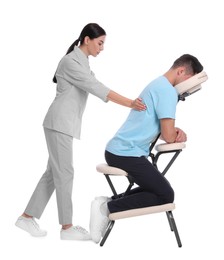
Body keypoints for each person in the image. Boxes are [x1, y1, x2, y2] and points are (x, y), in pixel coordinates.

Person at [15, 23, 146, 241]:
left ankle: (26, 217)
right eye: (100, 42)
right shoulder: (70, 62)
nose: (102, 48)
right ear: (87, 39)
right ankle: (67, 228)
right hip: (59, 123)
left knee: (53, 174)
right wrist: (130, 103)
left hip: (63, 124)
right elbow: (97, 87)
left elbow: (94, 84)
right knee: (65, 173)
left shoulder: (82, 61)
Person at [89, 54, 204, 243]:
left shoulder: (158, 84)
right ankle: (106, 209)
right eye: (188, 81)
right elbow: (168, 135)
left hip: (121, 151)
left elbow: (163, 128)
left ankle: (108, 202)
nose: (188, 88)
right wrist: (177, 133)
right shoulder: (167, 91)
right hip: (125, 153)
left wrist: (175, 130)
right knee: (166, 194)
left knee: (157, 188)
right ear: (181, 71)